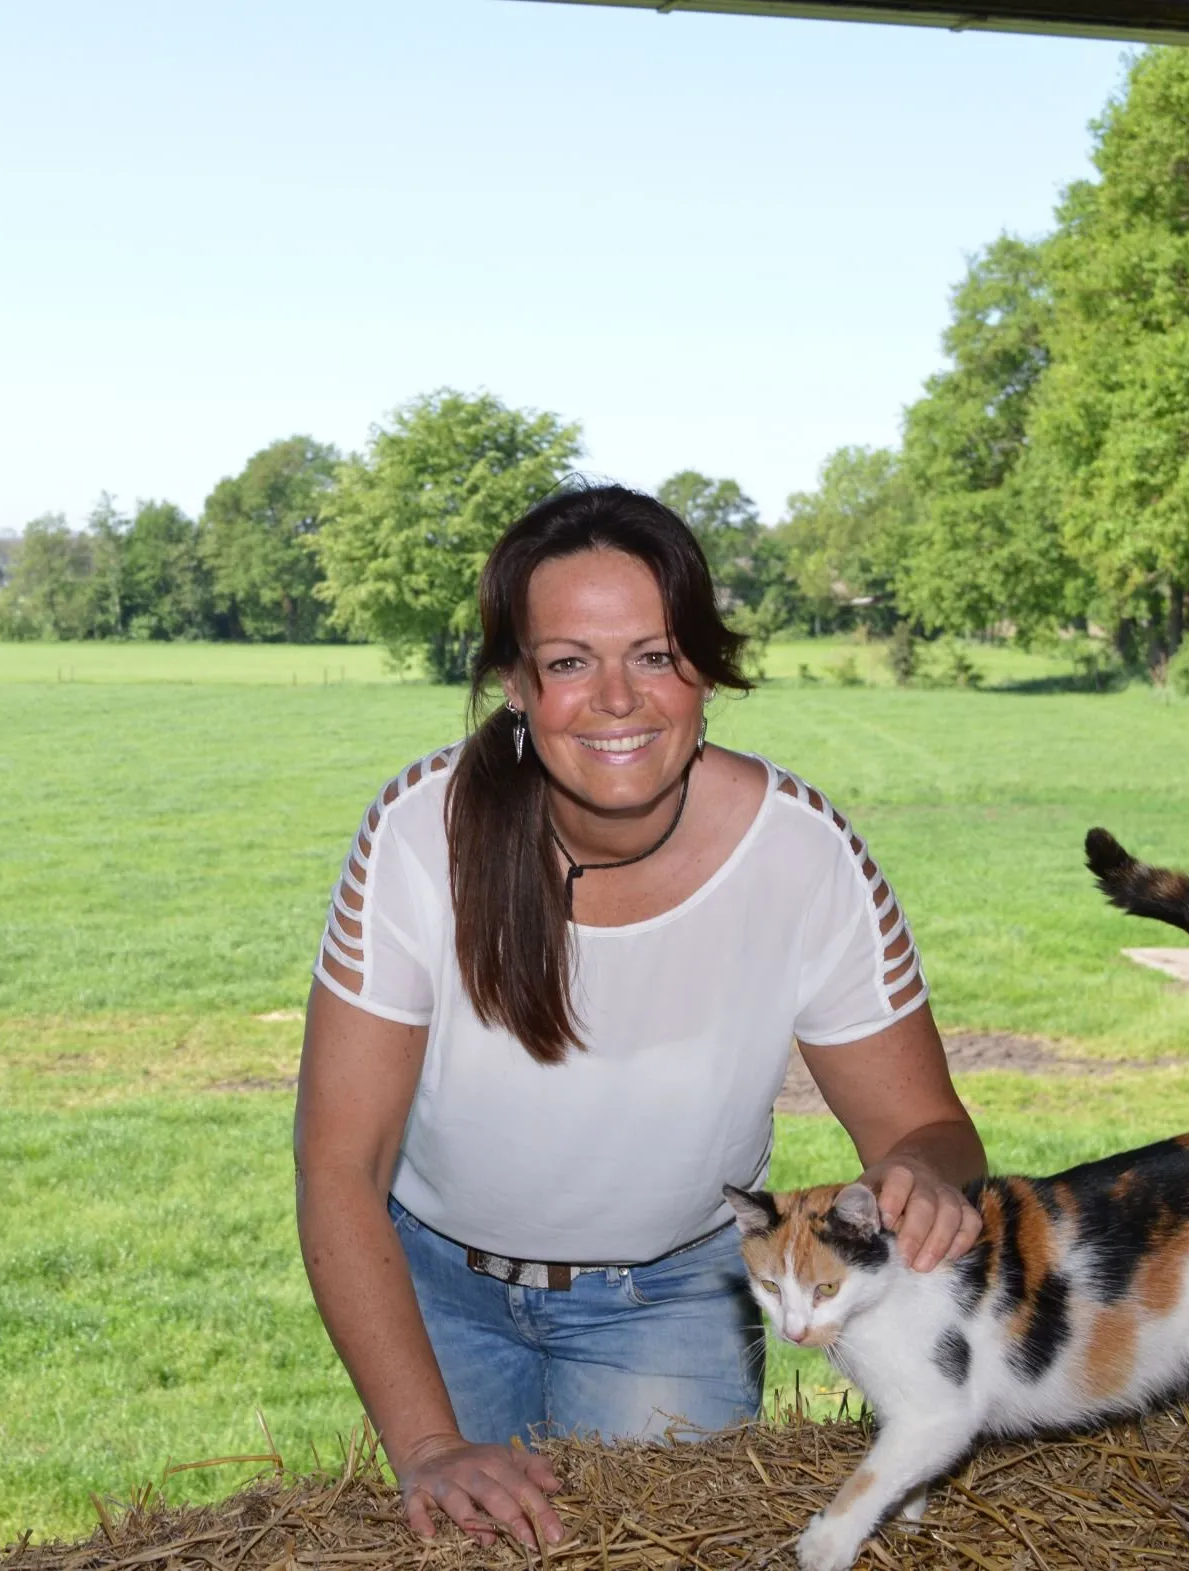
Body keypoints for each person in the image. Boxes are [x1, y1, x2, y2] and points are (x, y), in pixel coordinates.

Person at [292, 484, 986, 1552]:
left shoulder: (803, 853)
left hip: (673, 1305)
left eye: (654, 654)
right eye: (569, 661)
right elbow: (341, 1159)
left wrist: (930, 1178)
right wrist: (429, 1442)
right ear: (517, 686)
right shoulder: (417, 832)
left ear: (704, 671)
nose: (616, 697)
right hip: (437, 1293)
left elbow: (924, 1127)